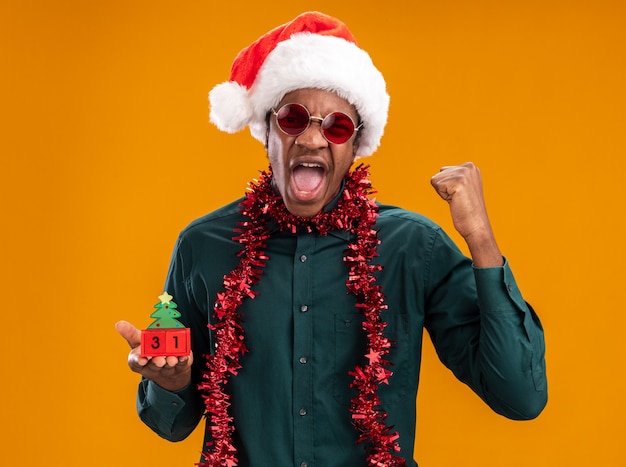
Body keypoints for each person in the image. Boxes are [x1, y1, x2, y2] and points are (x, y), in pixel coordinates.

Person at [116, 11, 547, 467]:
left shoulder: (412, 248)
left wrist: (480, 237)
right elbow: (170, 425)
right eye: (294, 118)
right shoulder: (204, 247)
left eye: (336, 125)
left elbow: (520, 397)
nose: (313, 138)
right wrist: (171, 381)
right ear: (267, 134)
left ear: (355, 144)